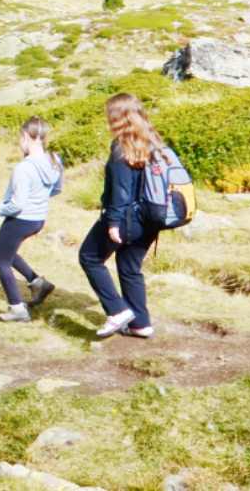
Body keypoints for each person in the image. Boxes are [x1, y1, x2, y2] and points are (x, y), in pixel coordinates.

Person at [80, 92, 161, 339]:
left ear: (118, 117)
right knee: (130, 267)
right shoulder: (153, 142)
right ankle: (140, 324)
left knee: (89, 257)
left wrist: (113, 223)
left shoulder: (121, 147)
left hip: (124, 220)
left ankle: (117, 311)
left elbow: (120, 191)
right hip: (149, 219)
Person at [0, 117, 63, 322]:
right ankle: (38, 283)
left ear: (26, 137)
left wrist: (0, 209)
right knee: (1, 247)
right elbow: (57, 188)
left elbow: (17, 204)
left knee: (0, 260)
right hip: (38, 218)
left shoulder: (23, 168)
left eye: (19, 138)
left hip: (21, 219)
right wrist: (38, 199)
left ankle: (17, 309)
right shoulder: (55, 160)